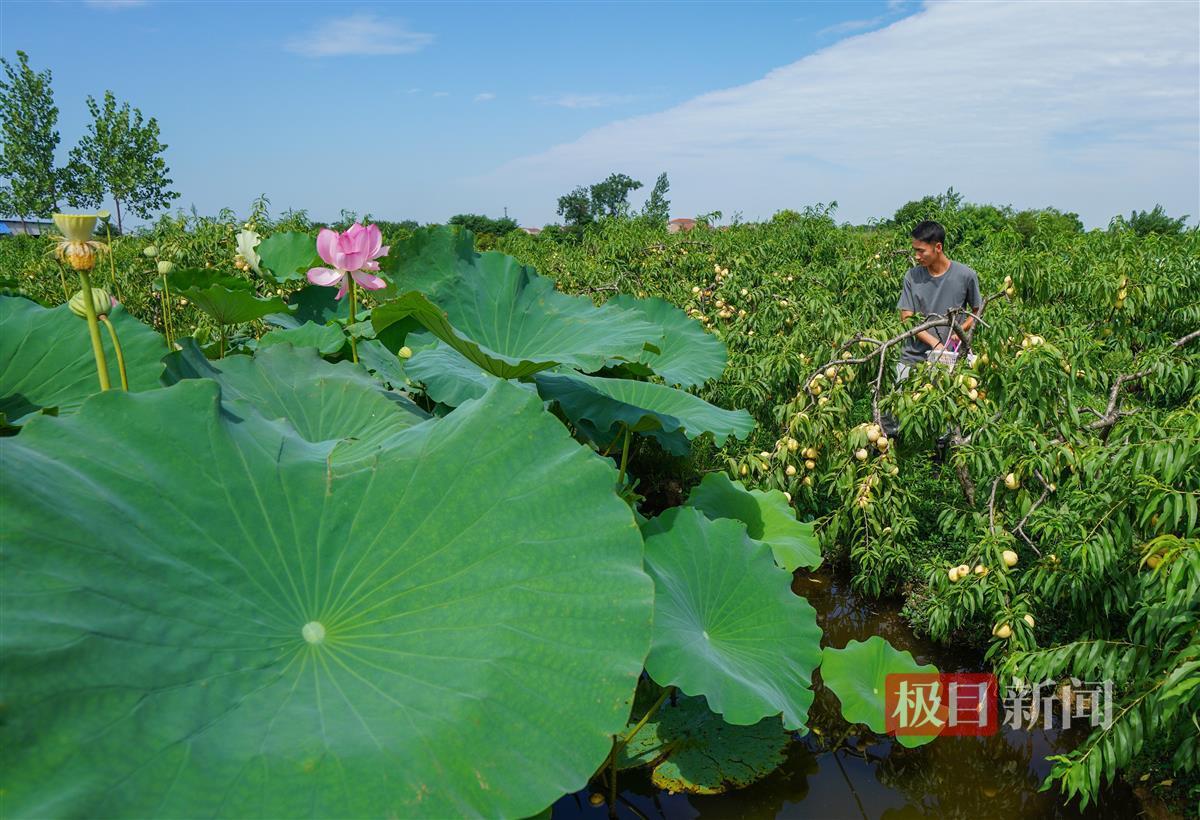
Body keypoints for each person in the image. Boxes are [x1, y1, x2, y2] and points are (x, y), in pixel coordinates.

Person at [881, 221, 983, 452]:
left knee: (947, 406)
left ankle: (940, 456)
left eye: (920, 251)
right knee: (891, 405)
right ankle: (891, 451)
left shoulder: (965, 275)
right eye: (914, 250)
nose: (916, 256)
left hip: (951, 356)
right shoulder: (912, 276)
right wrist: (934, 343)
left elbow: (977, 311)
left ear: (938, 247)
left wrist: (961, 330)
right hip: (915, 354)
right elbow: (907, 318)